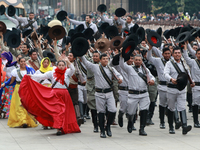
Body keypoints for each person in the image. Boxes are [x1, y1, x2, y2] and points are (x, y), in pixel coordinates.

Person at [19, 58, 81, 135]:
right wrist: (31, 76)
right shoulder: (52, 73)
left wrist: (68, 61)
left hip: (65, 94)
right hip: (55, 94)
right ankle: (59, 128)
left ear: (65, 66)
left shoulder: (67, 72)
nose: (61, 66)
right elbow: (41, 76)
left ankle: (64, 127)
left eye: (62, 65)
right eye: (59, 65)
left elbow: (72, 68)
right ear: (57, 66)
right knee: (58, 111)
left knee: (65, 112)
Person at [80, 53, 123, 138]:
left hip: (109, 93)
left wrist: (120, 79)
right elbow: (86, 63)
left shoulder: (111, 68)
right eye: (103, 59)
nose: (105, 60)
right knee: (101, 112)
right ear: (100, 60)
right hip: (99, 93)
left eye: (107, 59)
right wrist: (80, 54)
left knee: (113, 110)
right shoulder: (95, 67)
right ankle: (102, 131)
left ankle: (108, 126)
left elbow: (118, 75)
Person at [119, 54, 155, 136]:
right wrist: (121, 55)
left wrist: (152, 81)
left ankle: (142, 128)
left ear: (141, 61)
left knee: (144, 110)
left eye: (139, 60)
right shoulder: (129, 68)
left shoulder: (145, 70)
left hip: (144, 93)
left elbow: (152, 77)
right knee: (131, 112)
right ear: (133, 61)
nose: (138, 61)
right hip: (133, 94)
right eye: (136, 60)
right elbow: (121, 64)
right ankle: (130, 122)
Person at [1, 57, 38, 128]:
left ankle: (28, 120)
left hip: (27, 89)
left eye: (24, 61)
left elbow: (34, 79)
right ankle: (23, 121)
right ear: (19, 63)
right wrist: (5, 84)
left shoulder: (30, 70)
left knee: (28, 104)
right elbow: (11, 81)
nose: (23, 63)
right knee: (19, 104)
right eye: (21, 61)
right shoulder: (15, 71)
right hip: (19, 88)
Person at [164, 47, 192, 135]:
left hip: (182, 88)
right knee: (171, 108)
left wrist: (191, 81)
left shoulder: (184, 63)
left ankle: (184, 126)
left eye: (179, 53)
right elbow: (165, 73)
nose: (177, 54)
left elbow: (188, 73)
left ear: (181, 54)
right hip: (172, 88)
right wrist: (171, 79)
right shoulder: (169, 63)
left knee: (182, 106)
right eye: (175, 53)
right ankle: (171, 127)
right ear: (172, 54)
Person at [147, 46, 171, 129]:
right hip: (162, 85)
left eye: (169, 54)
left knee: (172, 104)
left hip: (172, 85)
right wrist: (150, 48)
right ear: (162, 54)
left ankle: (175, 120)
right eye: (166, 54)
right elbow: (149, 57)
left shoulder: (173, 61)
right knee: (162, 104)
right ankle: (162, 122)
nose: (167, 55)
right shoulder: (158, 61)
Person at [182, 42, 200, 128]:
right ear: (196, 54)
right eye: (199, 54)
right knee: (195, 103)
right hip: (196, 85)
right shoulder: (193, 62)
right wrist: (185, 48)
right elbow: (186, 57)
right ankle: (196, 121)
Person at [85, 51, 100, 132]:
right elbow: (83, 58)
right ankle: (95, 125)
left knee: (102, 109)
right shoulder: (89, 64)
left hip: (101, 89)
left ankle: (101, 123)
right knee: (93, 108)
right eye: (93, 56)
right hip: (91, 89)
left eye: (96, 56)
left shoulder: (104, 65)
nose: (95, 57)